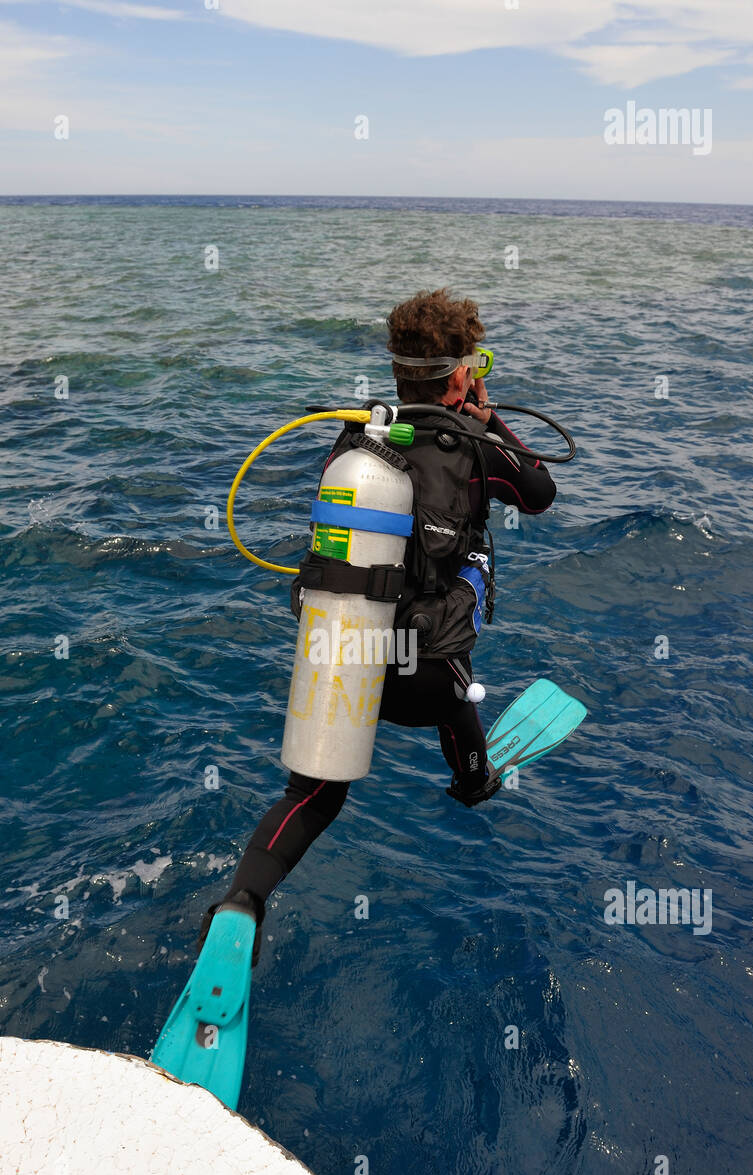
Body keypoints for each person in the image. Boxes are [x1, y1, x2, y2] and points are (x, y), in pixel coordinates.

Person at [209, 289, 556, 959]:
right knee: (457, 671)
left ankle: (243, 901)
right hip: (423, 680)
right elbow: (539, 493)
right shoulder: (474, 445)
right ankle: (474, 778)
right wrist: (490, 419)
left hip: (345, 657)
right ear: (462, 373)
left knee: (313, 794)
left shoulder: (357, 439)